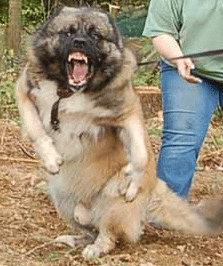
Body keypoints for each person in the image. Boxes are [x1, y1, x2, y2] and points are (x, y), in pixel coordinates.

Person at [142, 0, 223, 198]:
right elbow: (161, 30)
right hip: (189, 68)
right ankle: (167, 215)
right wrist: (178, 57)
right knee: (182, 140)